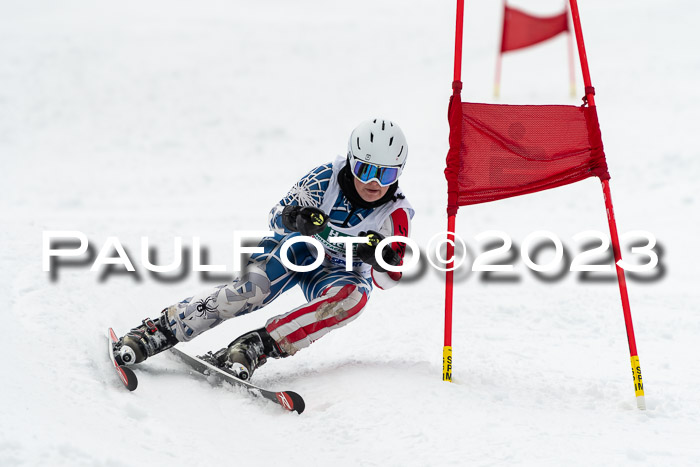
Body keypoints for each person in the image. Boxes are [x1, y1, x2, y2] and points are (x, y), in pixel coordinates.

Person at [112, 118, 414, 380]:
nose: (373, 183)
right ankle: (161, 330)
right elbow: (275, 216)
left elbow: (387, 280)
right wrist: (296, 219)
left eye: (385, 174)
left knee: (352, 300)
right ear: (351, 161)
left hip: (340, 271)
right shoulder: (325, 178)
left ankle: (255, 348)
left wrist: (382, 259)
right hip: (297, 249)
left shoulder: (394, 215)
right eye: (364, 169)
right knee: (252, 289)